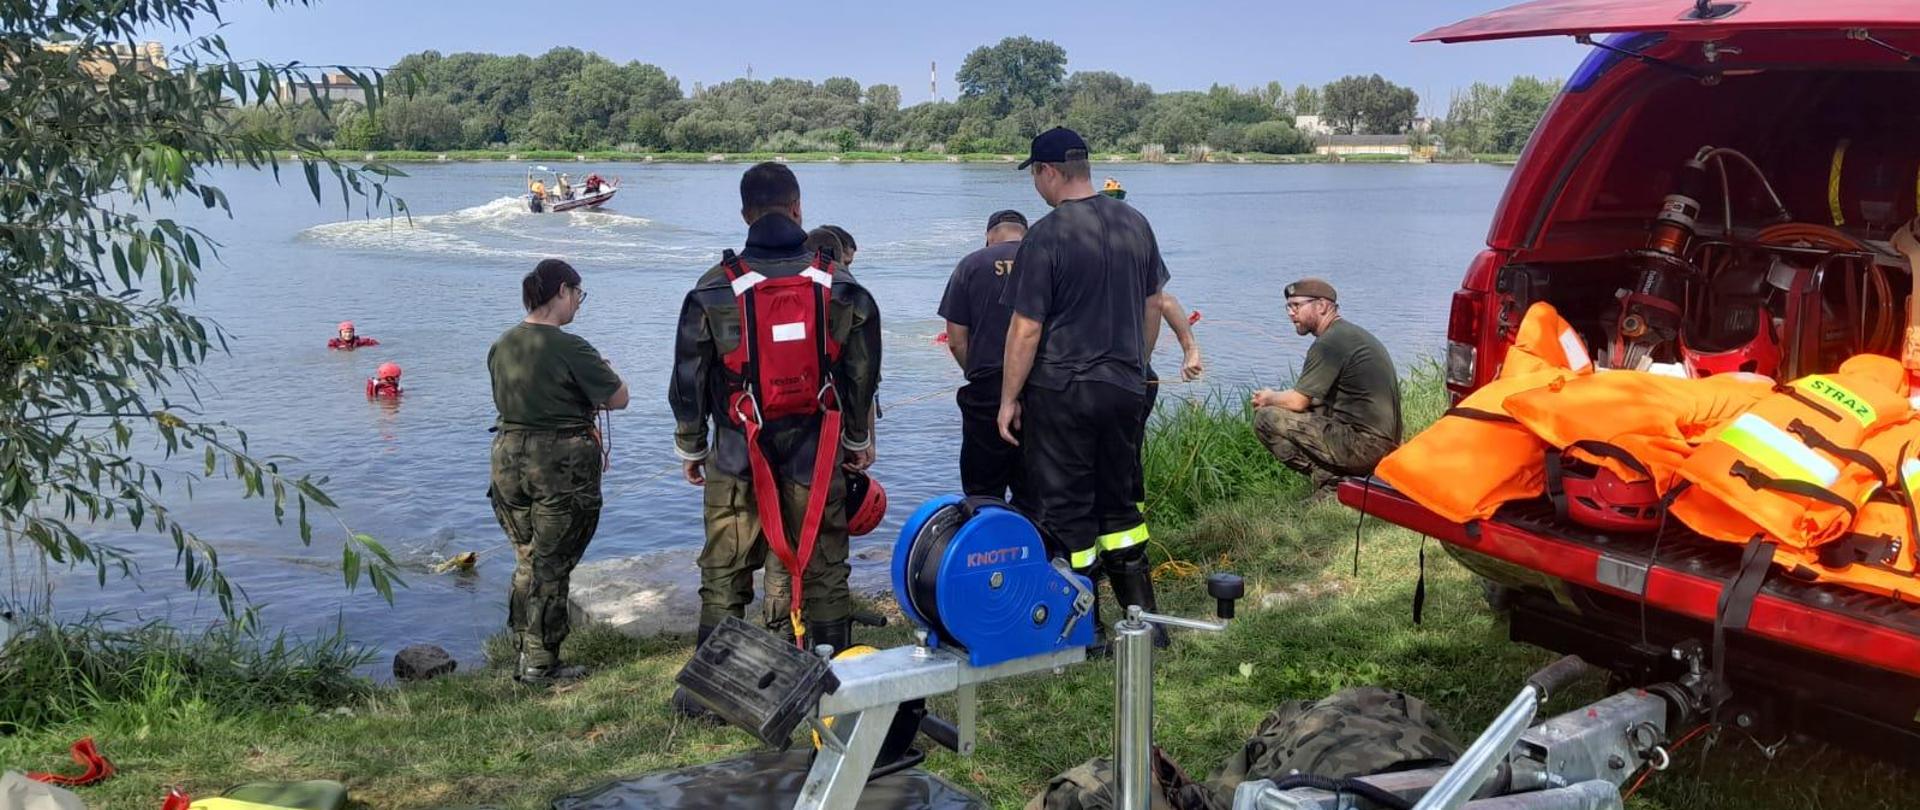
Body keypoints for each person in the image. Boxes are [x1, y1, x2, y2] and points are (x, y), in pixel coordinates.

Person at [669, 162, 882, 714]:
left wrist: (692, 444)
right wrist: (857, 438)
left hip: (739, 452)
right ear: (798, 208)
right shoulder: (841, 285)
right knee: (825, 564)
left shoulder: (715, 287)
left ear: (745, 214)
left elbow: (688, 376)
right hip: (817, 452)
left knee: (725, 566)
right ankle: (833, 681)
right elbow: (861, 374)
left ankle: (708, 698)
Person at [998, 127, 1170, 648]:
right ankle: (1146, 625)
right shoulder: (1135, 223)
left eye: (1034, 174)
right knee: (1120, 507)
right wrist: (1136, 366)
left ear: (1048, 172)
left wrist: (1008, 399)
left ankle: (1084, 629)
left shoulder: (1046, 236)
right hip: (1123, 386)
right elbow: (1153, 304)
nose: (1035, 184)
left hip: (1062, 391)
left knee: (1067, 511)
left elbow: (1026, 328)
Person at [486, 258, 631, 686]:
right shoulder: (572, 348)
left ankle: (522, 647)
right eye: (578, 295)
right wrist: (600, 372)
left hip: (507, 458)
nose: (578, 306)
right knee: (552, 564)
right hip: (558, 462)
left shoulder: (502, 344)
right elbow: (618, 397)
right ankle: (541, 663)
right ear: (562, 291)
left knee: (527, 556)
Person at [1251, 278, 1402, 494]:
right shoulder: (1348, 334)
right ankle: (1340, 480)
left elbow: (1297, 401)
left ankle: (1330, 482)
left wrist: (1268, 398)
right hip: (1386, 445)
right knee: (1316, 405)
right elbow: (1315, 400)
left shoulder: (1328, 343)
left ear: (1322, 306)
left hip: (1365, 447)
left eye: (1297, 306)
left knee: (1266, 418)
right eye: (1288, 306)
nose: (1290, 313)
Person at [939, 209, 1028, 500]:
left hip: (987, 390)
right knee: (1038, 494)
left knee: (982, 492)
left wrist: (973, 371)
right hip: (1042, 390)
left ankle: (989, 542)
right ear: (1024, 234)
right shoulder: (1047, 259)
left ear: (989, 237)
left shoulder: (970, 265)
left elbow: (955, 340)